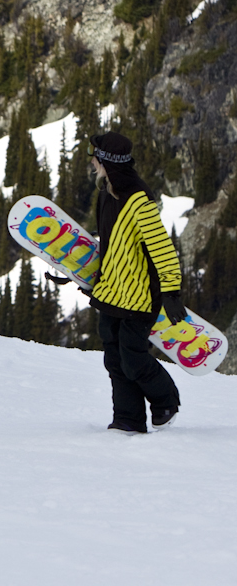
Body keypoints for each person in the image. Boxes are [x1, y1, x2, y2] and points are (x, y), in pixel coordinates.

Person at [87, 131, 185, 433]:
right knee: (115, 360)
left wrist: (171, 291)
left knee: (132, 358)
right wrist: (76, 271)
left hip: (139, 296)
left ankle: (166, 401)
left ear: (106, 161)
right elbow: (110, 246)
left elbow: (161, 246)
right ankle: (127, 420)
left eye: (94, 156)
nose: (91, 162)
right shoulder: (107, 193)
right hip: (111, 293)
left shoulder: (138, 199)